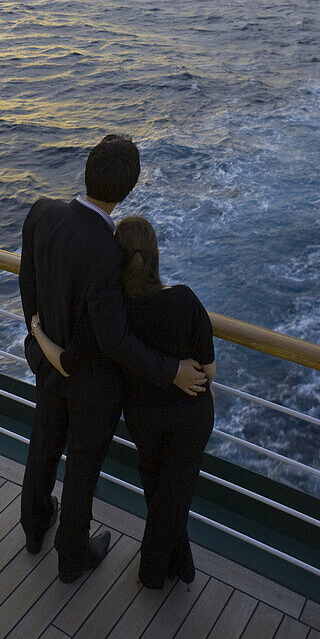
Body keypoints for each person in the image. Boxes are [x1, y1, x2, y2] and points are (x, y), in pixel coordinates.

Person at [19, 134, 207, 583]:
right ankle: (72, 558)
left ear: (87, 169)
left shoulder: (41, 212)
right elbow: (115, 338)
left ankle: (34, 525)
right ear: (128, 190)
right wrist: (171, 370)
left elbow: (28, 281)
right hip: (91, 386)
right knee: (81, 469)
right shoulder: (109, 252)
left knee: (43, 447)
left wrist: (40, 338)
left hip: (48, 368)